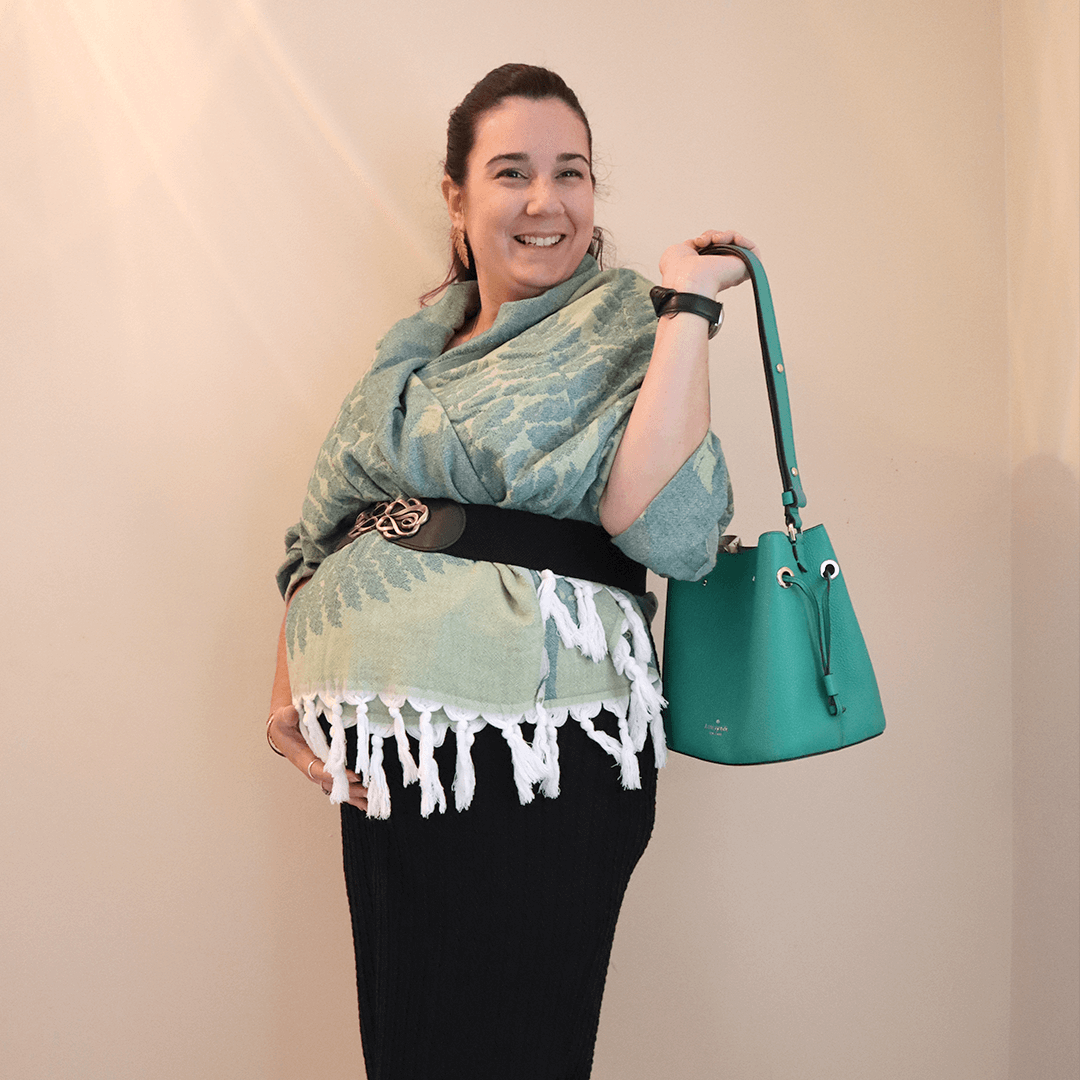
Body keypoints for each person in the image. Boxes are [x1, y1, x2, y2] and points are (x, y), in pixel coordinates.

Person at [266, 63, 756, 1080]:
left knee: (510, 1048)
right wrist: (293, 672)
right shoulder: (413, 352)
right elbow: (327, 533)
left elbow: (661, 524)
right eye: (512, 172)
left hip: (541, 750)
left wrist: (689, 312)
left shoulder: (632, 322)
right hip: (397, 754)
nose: (547, 202)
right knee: (410, 1049)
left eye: (571, 173)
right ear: (457, 196)